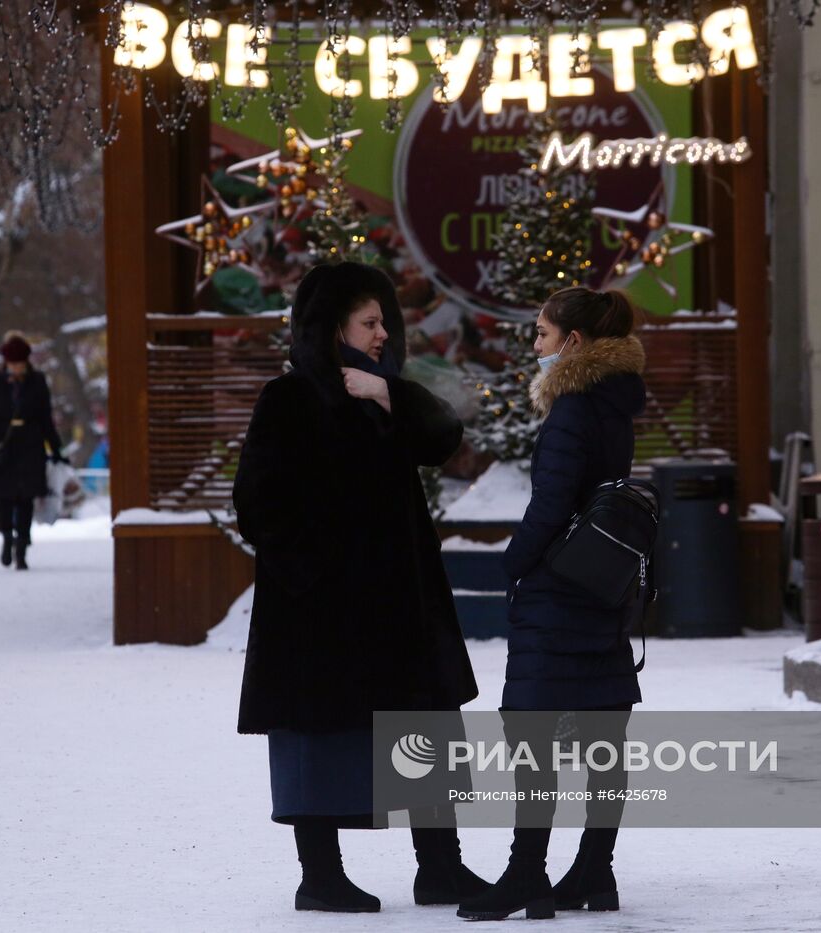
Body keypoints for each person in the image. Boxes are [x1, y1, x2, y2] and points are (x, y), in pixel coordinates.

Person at [234, 261, 487, 914]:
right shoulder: (288, 400)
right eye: (369, 322)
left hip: (401, 608)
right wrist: (318, 575)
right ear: (332, 327)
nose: (382, 334)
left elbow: (445, 438)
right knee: (320, 745)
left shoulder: (384, 394)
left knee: (423, 729)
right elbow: (258, 507)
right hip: (323, 616)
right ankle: (319, 876)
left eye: (384, 322)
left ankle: (442, 870)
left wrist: (387, 395)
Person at [457, 287, 647, 922]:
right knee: (601, 735)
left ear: (572, 343)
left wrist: (515, 563)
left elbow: (551, 503)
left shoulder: (571, 408)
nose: (532, 347)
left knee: (533, 735)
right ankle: (596, 870)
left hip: (559, 591)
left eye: (540, 335)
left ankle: (526, 875)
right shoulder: (615, 402)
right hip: (601, 586)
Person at [0, 334, 65, 571]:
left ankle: (22, 547)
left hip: (30, 447)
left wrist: (55, 448)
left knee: (26, 498)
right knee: (3, 497)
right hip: (3, 447)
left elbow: (46, 417)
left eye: (20, 364)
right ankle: (7, 538)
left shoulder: (37, 382)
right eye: (12, 364)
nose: (16, 368)